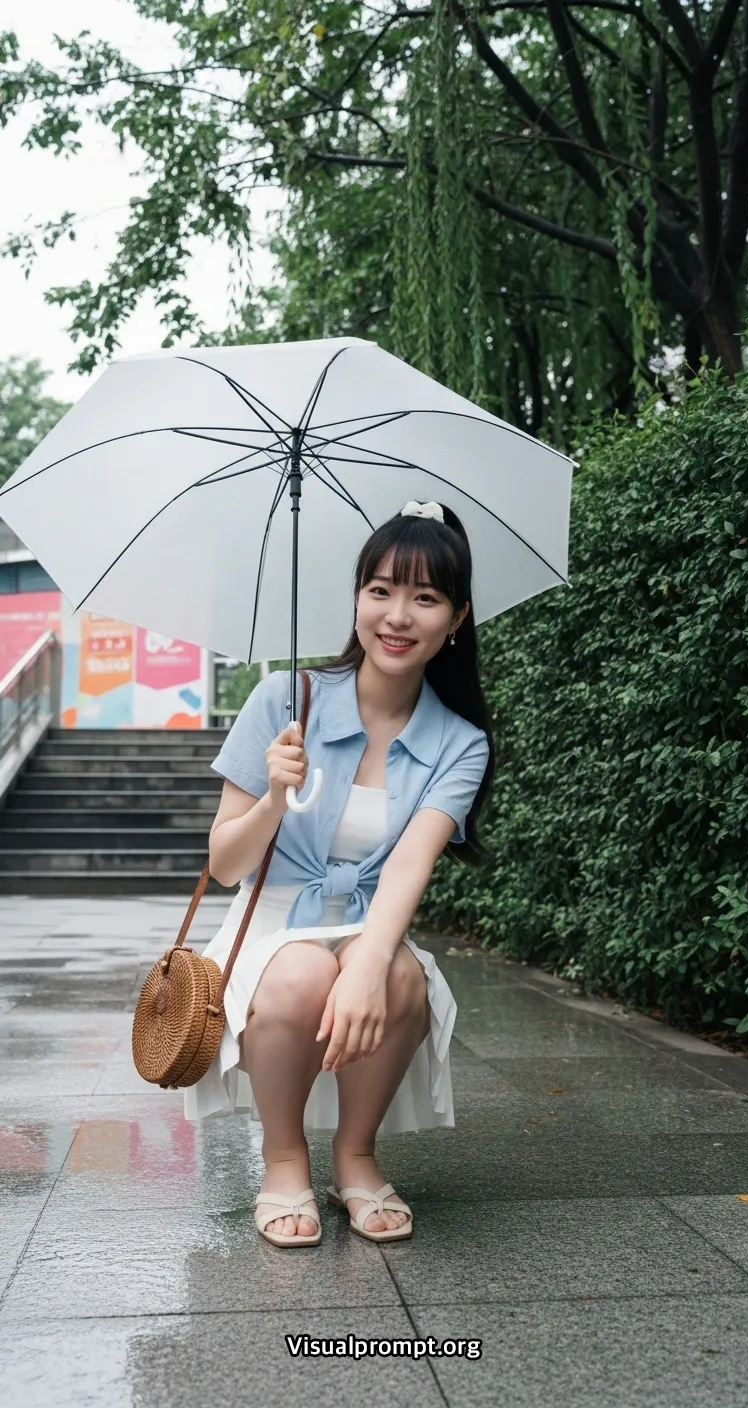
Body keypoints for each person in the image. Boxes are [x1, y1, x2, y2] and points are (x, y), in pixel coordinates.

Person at [183, 499, 495, 1246]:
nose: (397, 614)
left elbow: (411, 866)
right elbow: (224, 865)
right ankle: (284, 1157)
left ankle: (355, 1157)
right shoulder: (283, 700)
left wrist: (367, 964)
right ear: (357, 596)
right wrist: (273, 800)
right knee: (297, 977)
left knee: (399, 980)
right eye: (380, 589)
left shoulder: (461, 743)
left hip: (370, 916)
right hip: (271, 919)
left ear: (456, 618)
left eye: (425, 597)